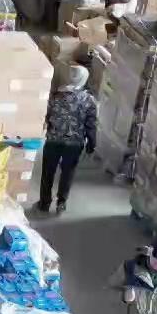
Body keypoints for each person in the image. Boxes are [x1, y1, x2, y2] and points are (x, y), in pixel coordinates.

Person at [36, 64, 97, 214]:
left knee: (48, 172)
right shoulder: (88, 100)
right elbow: (91, 124)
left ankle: (44, 203)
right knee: (67, 173)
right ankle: (61, 203)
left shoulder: (56, 96)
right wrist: (92, 143)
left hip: (53, 140)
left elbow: (46, 116)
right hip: (74, 143)